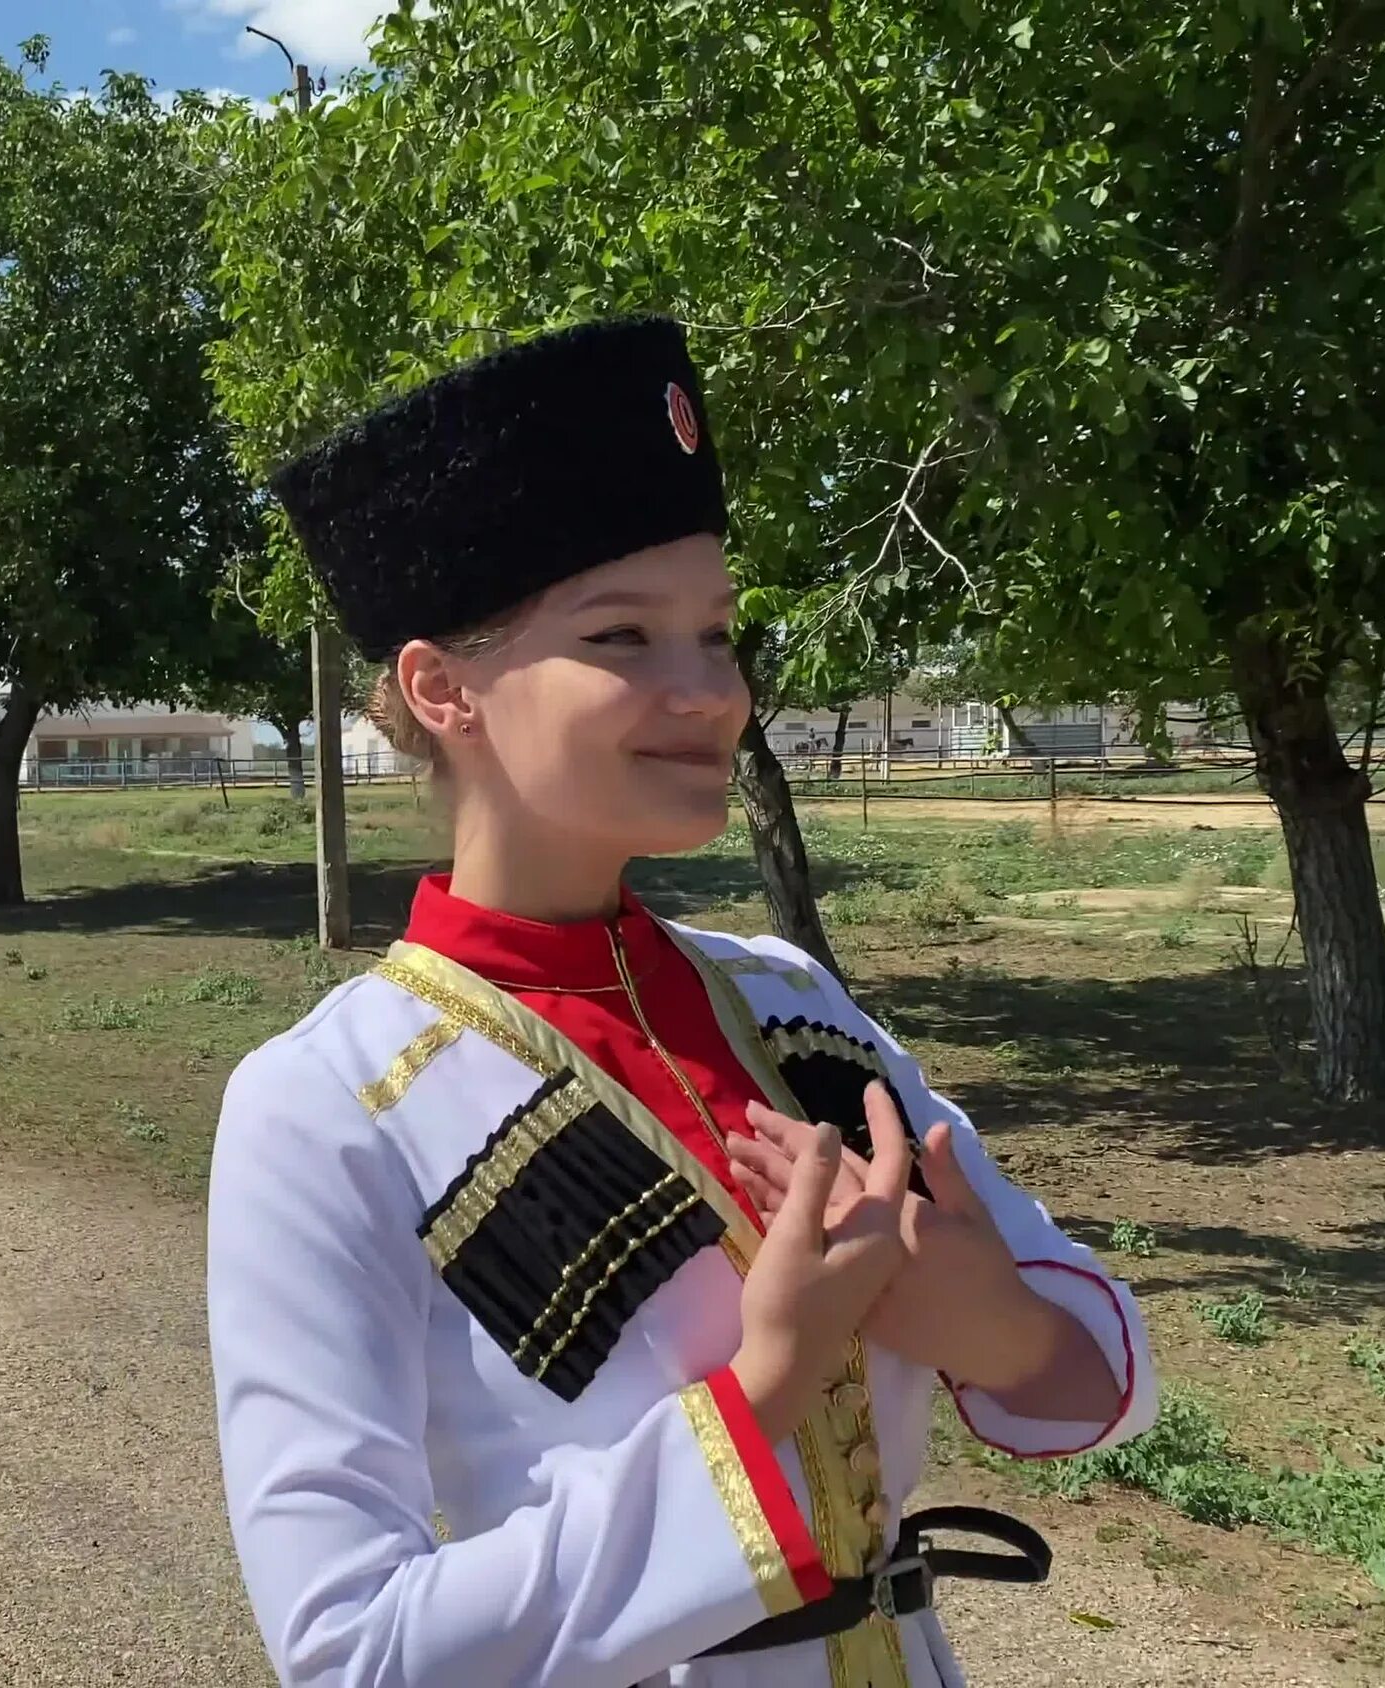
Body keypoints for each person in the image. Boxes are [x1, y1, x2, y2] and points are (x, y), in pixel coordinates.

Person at [205, 317, 1158, 1688]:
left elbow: (1094, 1372)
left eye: (717, 634)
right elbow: (355, 1650)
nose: (708, 692)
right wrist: (761, 1389)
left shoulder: (793, 1008)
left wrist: (986, 1321)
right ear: (440, 687)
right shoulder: (329, 1106)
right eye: (622, 637)